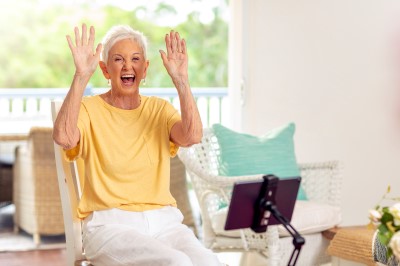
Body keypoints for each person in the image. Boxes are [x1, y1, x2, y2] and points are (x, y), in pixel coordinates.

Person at [53, 24, 221, 266]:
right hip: (109, 225)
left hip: (165, 223)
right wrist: (81, 76)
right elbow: (64, 138)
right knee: (176, 263)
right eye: (118, 59)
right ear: (105, 69)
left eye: (135, 59)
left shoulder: (159, 109)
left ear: (145, 69)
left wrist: (182, 80)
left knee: (208, 262)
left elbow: (192, 136)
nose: (127, 66)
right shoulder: (89, 109)